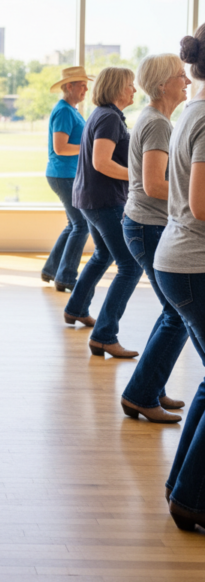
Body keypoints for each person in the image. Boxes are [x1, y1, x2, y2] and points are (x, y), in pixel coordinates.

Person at [119, 54, 191, 423]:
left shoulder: (156, 119)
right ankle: (141, 394)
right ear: (163, 85)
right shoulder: (158, 124)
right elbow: (154, 185)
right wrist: (194, 195)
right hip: (149, 226)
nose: (188, 81)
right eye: (181, 76)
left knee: (172, 313)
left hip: (143, 225)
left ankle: (151, 386)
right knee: (177, 315)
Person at [154, 27, 205, 531]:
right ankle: (190, 499)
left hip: (181, 260)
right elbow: (202, 203)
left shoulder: (192, 109)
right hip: (193, 263)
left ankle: (184, 489)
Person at [64, 66, 141, 358]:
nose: (134, 90)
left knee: (103, 254)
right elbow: (102, 163)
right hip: (104, 201)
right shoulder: (109, 118)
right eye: (130, 85)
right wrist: (139, 176)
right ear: (118, 88)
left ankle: (76, 308)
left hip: (90, 198)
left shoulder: (104, 114)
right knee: (130, 266)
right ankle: (104, 336)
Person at [41, 67, 92, 292]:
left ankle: (51, 270)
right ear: (69, 86)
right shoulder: (63, 111)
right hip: (63, 175)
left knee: (74, 224)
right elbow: (60, 148)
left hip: (67, 174)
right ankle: (66, 278)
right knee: (82, 224)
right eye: (82, 85)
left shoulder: (71, 110)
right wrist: (89, 148)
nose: (86, 89)